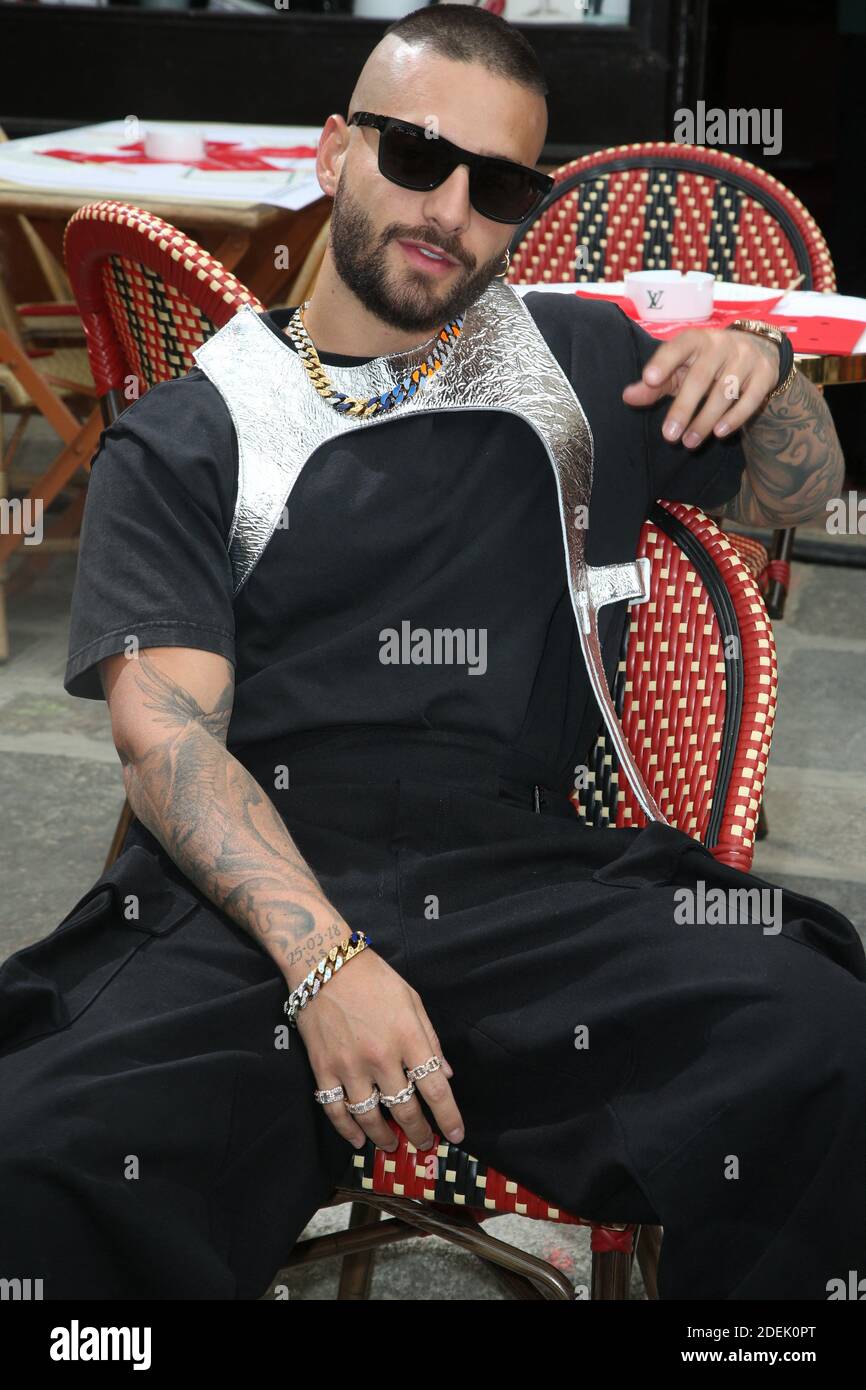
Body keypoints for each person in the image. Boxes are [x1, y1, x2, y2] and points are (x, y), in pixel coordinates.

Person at [1, 5, 864, 1302]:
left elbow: (796, 493)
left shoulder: (581, 366)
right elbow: (165, 740)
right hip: (256, 894)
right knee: (50, 1161)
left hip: (528, 874)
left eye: (498, 182)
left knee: (826, 1046)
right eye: (413, 156)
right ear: (335, 151)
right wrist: (328, 962)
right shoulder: (192, 430)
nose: (448, 206)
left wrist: (763, 362)